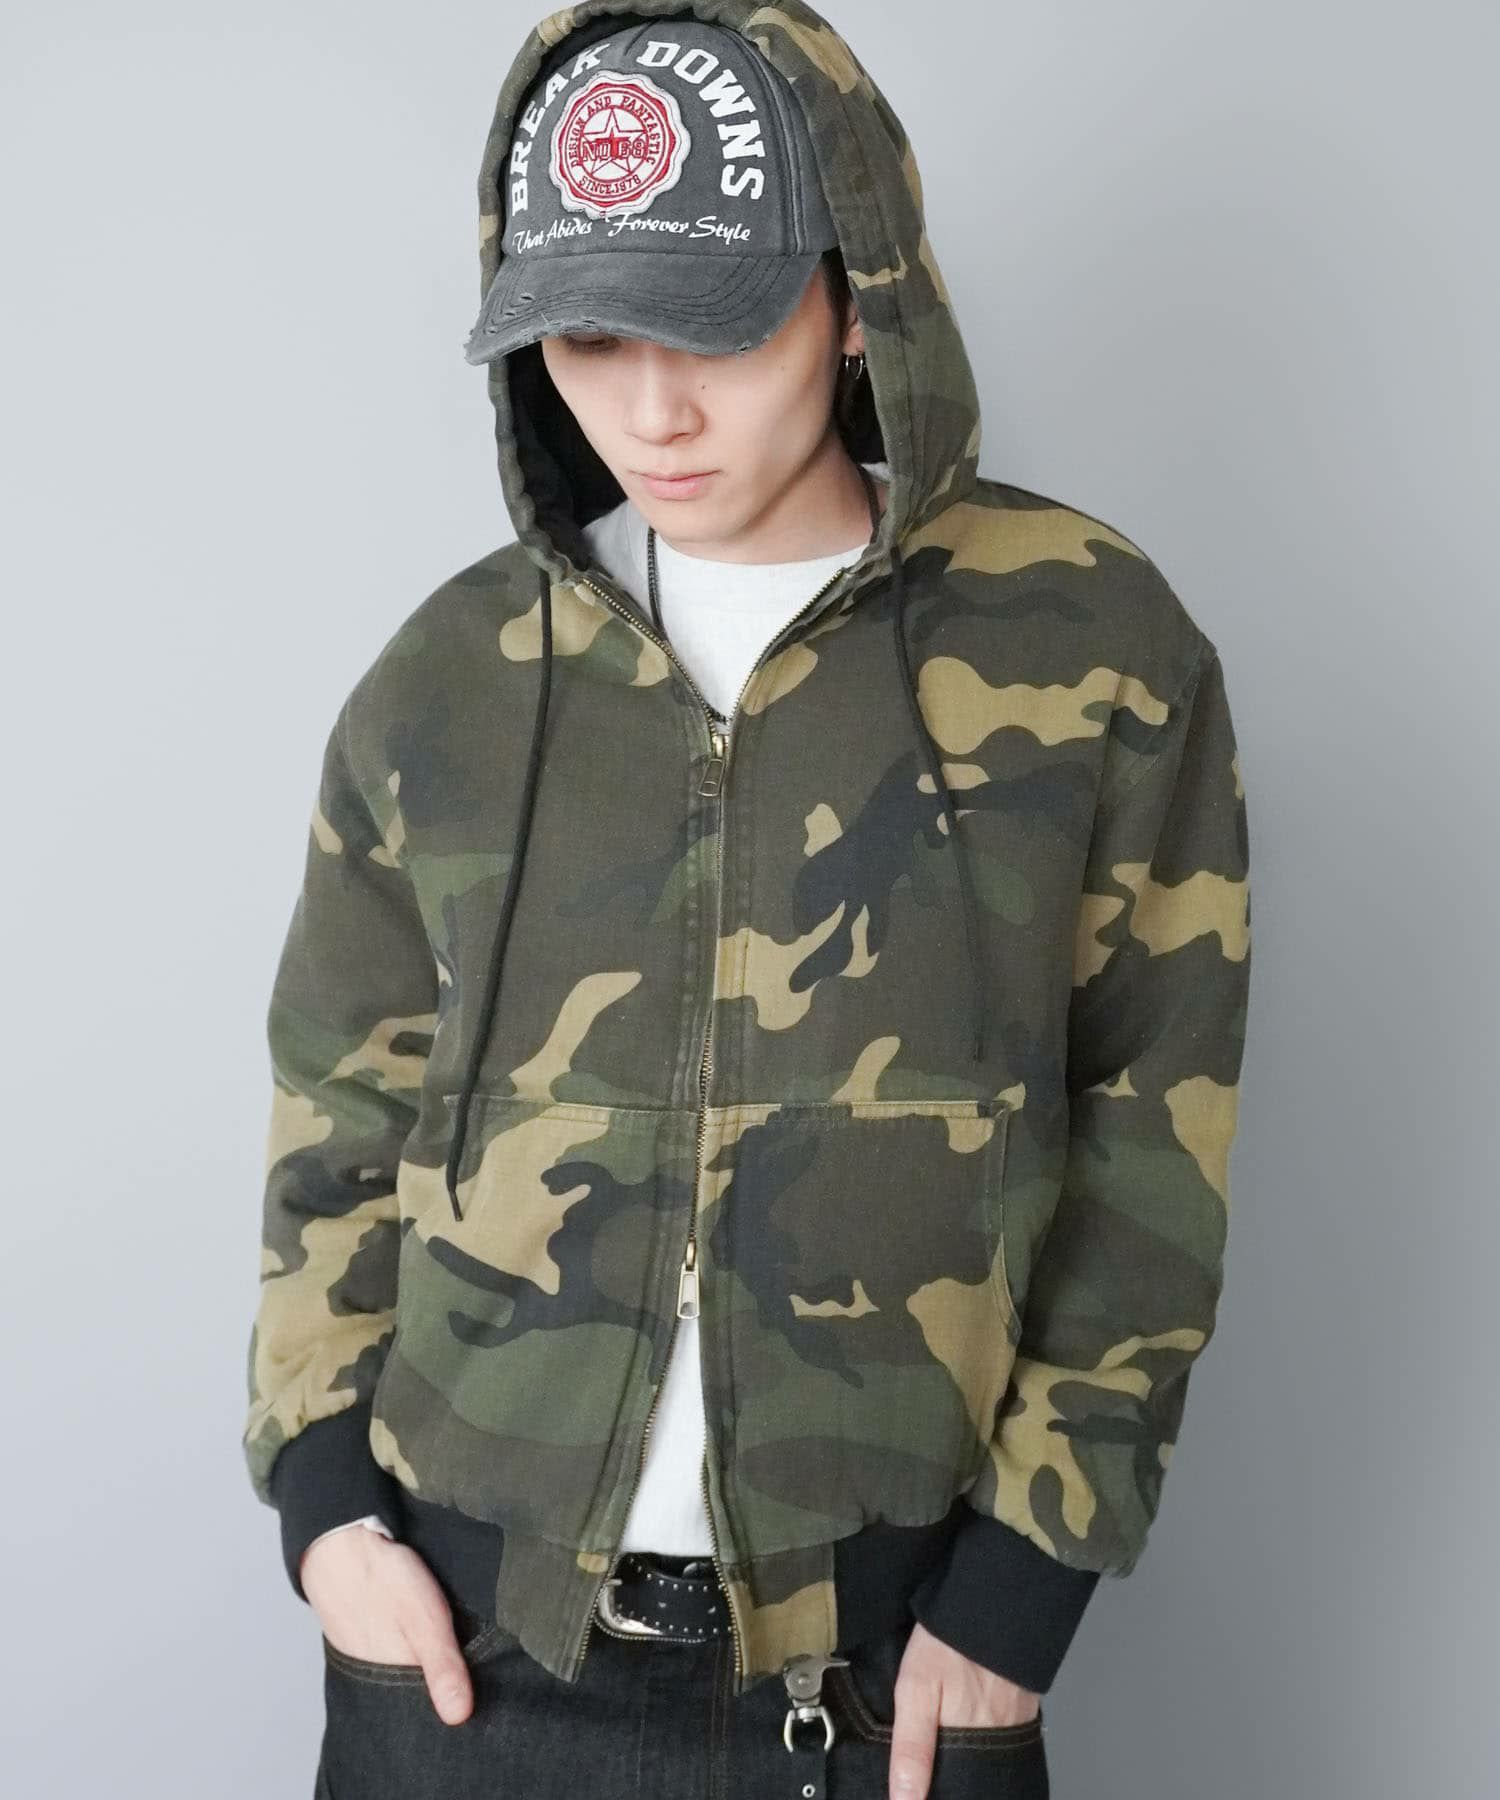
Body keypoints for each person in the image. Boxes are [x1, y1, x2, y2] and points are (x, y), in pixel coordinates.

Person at [242, 6, 1253, 1798]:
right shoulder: (449, 679)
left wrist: (1022, 1593)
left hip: (889, 1674)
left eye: (719, 325)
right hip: (465, 1650)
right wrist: (329, 1514)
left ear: (858, 297)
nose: (655, 410)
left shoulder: (1095, 650)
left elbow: (1150, 1140)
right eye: (590, 335)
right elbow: (339, 1113)